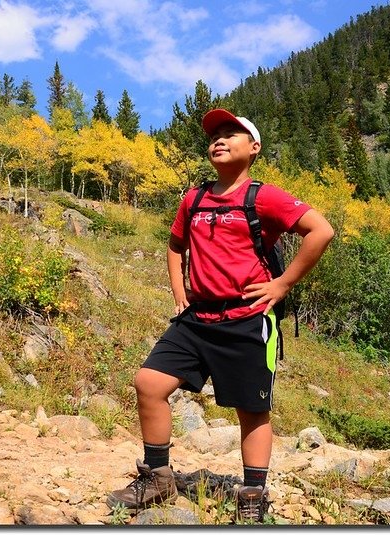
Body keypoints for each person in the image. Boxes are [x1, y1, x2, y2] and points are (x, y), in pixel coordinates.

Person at [107, 108, 335, 523]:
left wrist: (281, 284)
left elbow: (321, 230)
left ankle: (252, 495)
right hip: (198, 318)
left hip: (247, 318)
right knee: (149, 383)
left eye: (232, 133)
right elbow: (176, 246)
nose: (219, 139)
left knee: (251, 410)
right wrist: (180, 292)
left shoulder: (264, 196)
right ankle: (158, 478)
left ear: (254, 147)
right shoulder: (193, 198)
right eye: (215, 134)